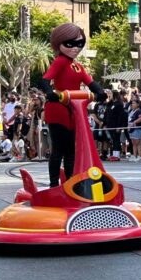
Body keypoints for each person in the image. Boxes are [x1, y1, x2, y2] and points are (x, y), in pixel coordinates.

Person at [40, 23, 106, 187]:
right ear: (59, 43)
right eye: (70, 44)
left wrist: (101, 92)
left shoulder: (77, 66)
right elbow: (45, 79)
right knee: (59, 150)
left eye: (79, 44)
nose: (75, 48)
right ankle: (54, 184)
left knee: (71, 151)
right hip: (58, 109)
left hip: (74, 110)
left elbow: (90, 82)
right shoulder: (60, 61)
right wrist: (50, 93)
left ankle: (70, 182)